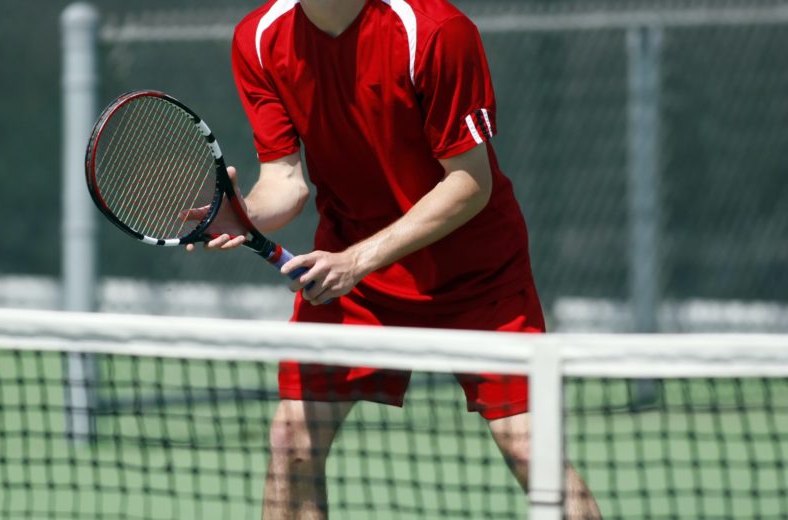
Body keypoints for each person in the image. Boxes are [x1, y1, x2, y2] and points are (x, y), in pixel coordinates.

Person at [187, 0, 602, 518]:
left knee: (531, 452)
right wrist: (245, 213)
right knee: (292, 441)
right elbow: (287, 182)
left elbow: (471, 183)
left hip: (477, 278)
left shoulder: (435, 32)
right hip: (355, 277)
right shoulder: (259, 39)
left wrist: (355, 262)